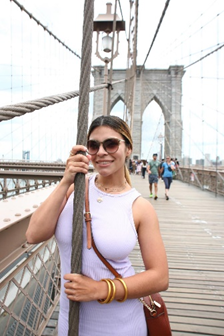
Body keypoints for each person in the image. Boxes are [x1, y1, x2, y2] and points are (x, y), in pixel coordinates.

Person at [26, 115, 168, 336]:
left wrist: (100, 289)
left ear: (128, 148)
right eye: (93, 145)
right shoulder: (75, 189)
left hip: (121, 325)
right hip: (70, 322)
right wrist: (66, 180)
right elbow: (34, 234)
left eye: (111, 144)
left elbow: (160, 277)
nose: (101, 152)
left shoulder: (139, 207)